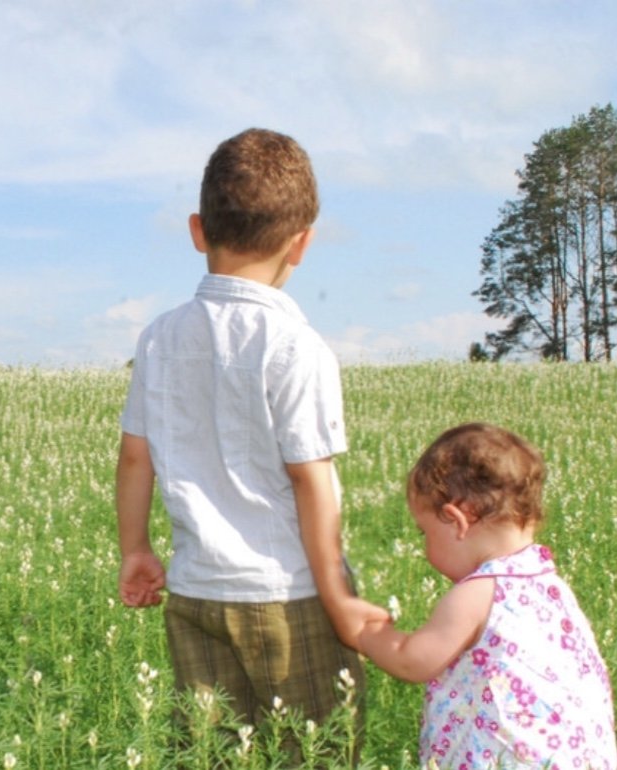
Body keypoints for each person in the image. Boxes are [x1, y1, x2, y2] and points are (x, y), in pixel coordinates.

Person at [115, 128, 388, 747]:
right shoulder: (295, 346)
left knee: (214, 754)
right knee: (311, 751)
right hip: (287, 596)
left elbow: (136, 457)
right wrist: (338, 596)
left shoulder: (159, 337)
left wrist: (136, 549)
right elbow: (310, 481)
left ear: (197, 230)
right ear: (302, 245)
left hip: (195, 592)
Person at [356, 422, 617, 770]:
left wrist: (361, 630)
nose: (424, 549)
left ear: (456, 521)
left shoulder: (478, 594)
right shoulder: (551, 584)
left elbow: (411, 660)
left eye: (425, 533)